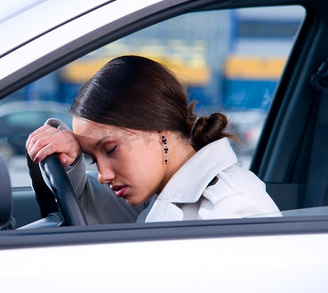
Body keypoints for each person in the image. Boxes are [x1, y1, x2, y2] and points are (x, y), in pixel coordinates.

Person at [26, 55, 280, 224]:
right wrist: (69, 158)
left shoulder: (232, 209)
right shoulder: (160, 191)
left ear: (161, 129)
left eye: (111, 149)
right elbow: (88, 212)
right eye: (92, 159)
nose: (102, 175)